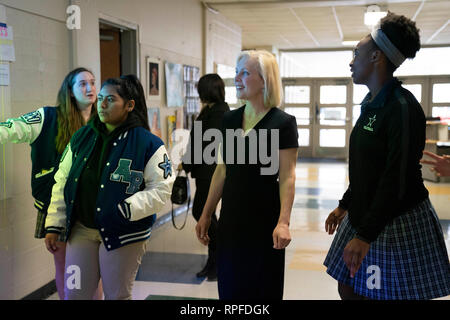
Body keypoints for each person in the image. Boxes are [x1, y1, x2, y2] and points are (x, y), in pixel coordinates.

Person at [324, 13, 450, 300]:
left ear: (376, 57)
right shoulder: (369, 103)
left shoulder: (402, 107)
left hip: (396, 218)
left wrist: (365, 235)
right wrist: (346, 204)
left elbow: (396, 177)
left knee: (380, 294)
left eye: (357, 53)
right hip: (366, 213)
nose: (351, 61)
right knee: (349, 288)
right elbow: (367, 168)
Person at [44, 75, 175, 300]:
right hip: (81, 230)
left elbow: (162, 189)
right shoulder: (82, 137)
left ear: (129, 105)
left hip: (124, 233)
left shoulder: (149, 143)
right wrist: (54, 223)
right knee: (74, 294)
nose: (102, 105)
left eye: (111, 100)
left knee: (117, 295)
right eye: (101, 98)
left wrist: (127, 208)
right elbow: (62, 180)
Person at [195, 50, 298, 299]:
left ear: (264, 79)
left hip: (265, 222)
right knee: (230, 287)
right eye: (236, 73)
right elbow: (222, 169)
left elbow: (287, 176)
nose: (237, 79)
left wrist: (283, 222)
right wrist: (206, 214)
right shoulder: (230, 119)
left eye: (245, 73)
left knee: (262, 289)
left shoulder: (282, 122)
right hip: (231, 220)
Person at [0, 67, 100, 299]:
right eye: (83, 84)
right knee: (66, 267)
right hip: (58, 207)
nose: (90, 88)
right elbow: (13, 128)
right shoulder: (49, 117)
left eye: (93, 83)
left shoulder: (103, 123)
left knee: (96, 270)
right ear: (70, 91)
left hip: (92, 206)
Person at [180, 73, 230, 281]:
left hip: (211, 172)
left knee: (203, 212)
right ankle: (215, 259)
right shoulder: (211, 110)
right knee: (204, 213)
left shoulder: (218, 113)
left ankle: (219, 258)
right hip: (205, 171)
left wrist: (189, 160)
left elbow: (207, 145)